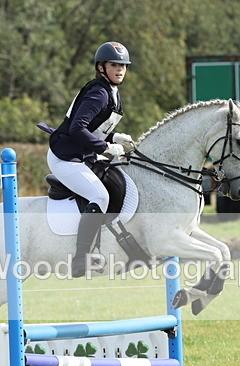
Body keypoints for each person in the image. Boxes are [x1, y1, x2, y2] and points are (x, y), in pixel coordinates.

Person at [45, 41, 137, 277]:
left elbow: (94, 127)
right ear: (100, 67)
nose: (120, 69)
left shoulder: (111, 92)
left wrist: (115, 136)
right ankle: (81, 259)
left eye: (123, 65)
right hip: (66, 157)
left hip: (82, 155)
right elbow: (77, 128)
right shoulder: (99, 93)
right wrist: (106, 147)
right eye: (114, 65)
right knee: (100, 196)